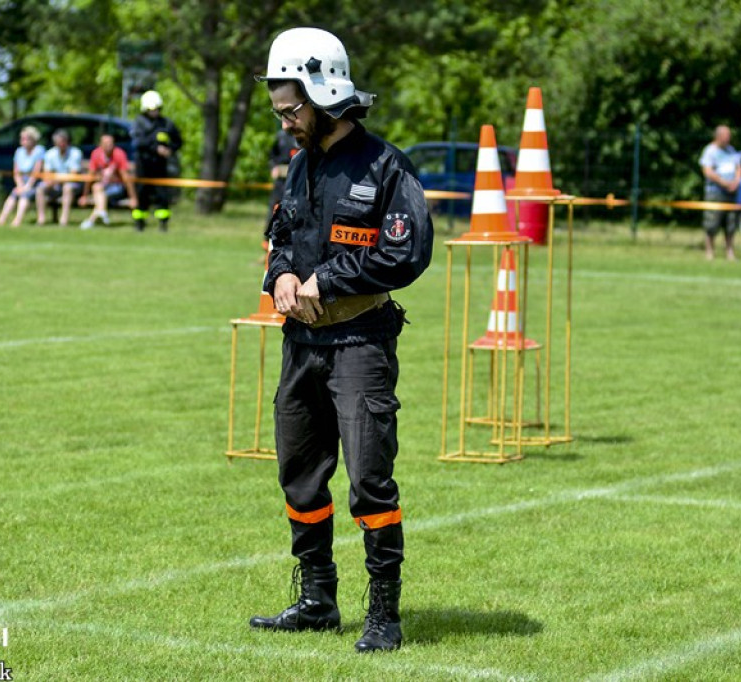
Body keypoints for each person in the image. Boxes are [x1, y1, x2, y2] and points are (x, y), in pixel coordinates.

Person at [248, 27, 433, 654]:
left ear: (324, 94)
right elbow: (277, 238)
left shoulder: (386, 166)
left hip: (360, 342)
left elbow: (406, 254)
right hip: (301, 344)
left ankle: (384, 614)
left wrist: (323, 278)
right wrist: (280, 278)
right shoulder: (298, 168)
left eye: (290, 110)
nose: (284, 124)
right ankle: (317, 599)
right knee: (299, 475)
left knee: (369, 480)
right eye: (279, 111)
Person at [131, 90, 183, 232]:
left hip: (160, 166)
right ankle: (139, 223)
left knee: (162, 195)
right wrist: (155, 148)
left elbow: (178, 141)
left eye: (156, 109)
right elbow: (138, 142)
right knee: (142, 194)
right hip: (143, 165)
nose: (154, 112)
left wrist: (169, 150)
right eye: (151, 109)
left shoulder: (166, 124)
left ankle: (163, 224)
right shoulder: (139, 123)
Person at [699, 125, 741, 260]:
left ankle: (730, 252)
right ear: (718, 136)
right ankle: (709, 252)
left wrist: (735, 181)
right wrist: (723, 183)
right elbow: (707, 171)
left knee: (730, 224)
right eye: (726, 135)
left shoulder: (731, 150)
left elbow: (739, 168)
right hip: (715, 192)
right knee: (712, 223)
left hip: (731, 192)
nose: (728, 138)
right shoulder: (710, 151)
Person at [79, 133, 137, 229]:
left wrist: (133, 197)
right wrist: (84, 196)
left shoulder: (119, 154)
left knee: (99, 192)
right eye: (106, 143)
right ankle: (101, 213)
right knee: (97, 188)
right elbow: (90, 176)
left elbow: (126, 177)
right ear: (100, 144)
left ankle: (93, 219)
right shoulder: (96, 154)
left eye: (111, 143)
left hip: (117, 187)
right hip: (102, 186)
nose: (108, 145)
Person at [0, 126, 45, 227]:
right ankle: (2, 220)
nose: (22, 141)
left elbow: (36, 172)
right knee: (14, 193)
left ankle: (17, 220)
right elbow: (16, 172)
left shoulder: (39, 150)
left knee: (24, 195)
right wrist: (20, 185)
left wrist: (27, 186)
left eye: (25, 138)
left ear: (33, 139)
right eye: (21, 138)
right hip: (22, 181)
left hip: (34, 182)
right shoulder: (19, 151)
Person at [36, 129, 84, 226]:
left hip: (72, 184)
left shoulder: (75, 153)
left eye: (63, 142)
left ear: (67, 141)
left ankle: (64, 220)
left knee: (67, 187)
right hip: (55, 184)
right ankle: (41, 219)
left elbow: (73, 175)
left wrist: (56, 179)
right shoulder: (50, 154)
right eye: (58, 142)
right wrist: (51, 180)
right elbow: (48, 173)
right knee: (40, 188)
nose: (61, 144)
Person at [267, 126, 298, 223]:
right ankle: (268, 237)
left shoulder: (304, 136)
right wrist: (273, 167)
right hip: (281, 181)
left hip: (299, 180)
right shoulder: (281, 136)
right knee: (275, 208)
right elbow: (272, 155)